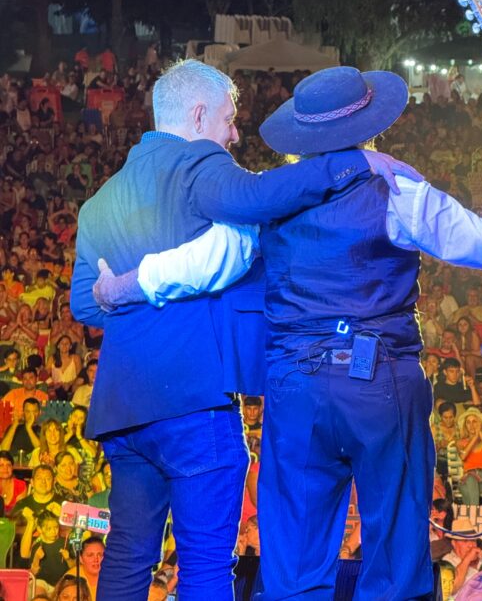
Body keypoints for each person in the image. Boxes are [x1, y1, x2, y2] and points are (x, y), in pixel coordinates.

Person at [96, 66, 482, 600]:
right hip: (380, 381)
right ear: (368, 124)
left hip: (296, 389)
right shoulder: (396, 186)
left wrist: (123, 286)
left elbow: (201, 263)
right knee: (394, 563)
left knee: (292, 569)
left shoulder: (268, 198)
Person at [71, 59, 402, 601]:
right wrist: (346, 163)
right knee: (204, 565)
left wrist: (137, 283)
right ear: (198, 115)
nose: (233, 134)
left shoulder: (101, 199)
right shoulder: (198, 163)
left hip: (123, 409)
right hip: (194, 402)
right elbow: (255, 198)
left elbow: (87, 302)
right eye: (228, 119)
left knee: (129, 556)